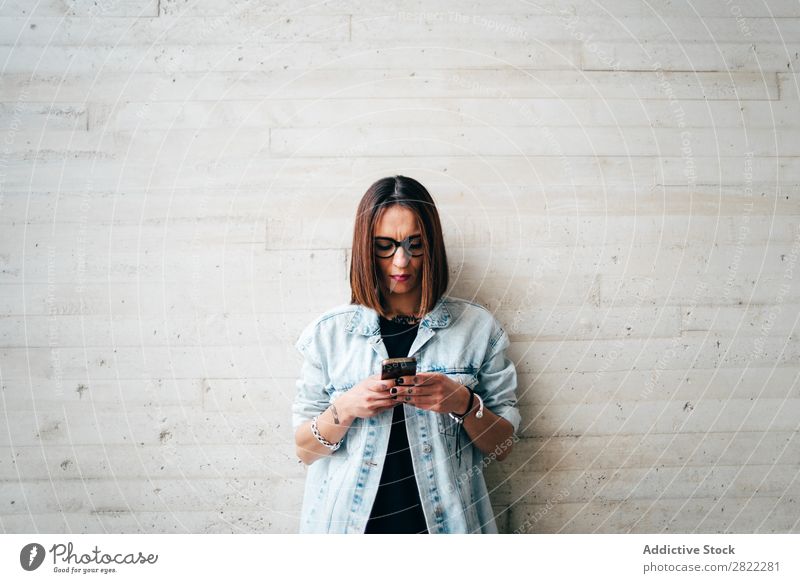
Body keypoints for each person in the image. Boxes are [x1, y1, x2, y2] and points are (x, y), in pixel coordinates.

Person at [291, 175, 522, 534]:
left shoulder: (477, 330)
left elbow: (504, 445)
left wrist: (463, 403)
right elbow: (306, 451)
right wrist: (348, 406)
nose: (401, 262)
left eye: (415, 244)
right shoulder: (329, 335)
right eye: (385, 246)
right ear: (365, 248)